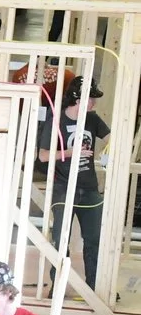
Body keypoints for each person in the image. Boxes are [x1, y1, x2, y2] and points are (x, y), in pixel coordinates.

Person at [35, 82, 111, 291]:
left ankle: (94, 287)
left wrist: (109, 152)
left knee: (94, 238)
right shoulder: (56, 122)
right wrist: (69, 153)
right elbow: (42, 156)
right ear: (79, 100)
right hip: (63, 187)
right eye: (91, 98)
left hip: (89, 189)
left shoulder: (92, 119)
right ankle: (57, 286)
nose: (94, 103)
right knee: (60, 239)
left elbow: (112, 139)